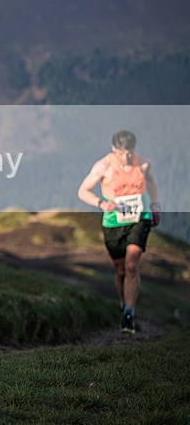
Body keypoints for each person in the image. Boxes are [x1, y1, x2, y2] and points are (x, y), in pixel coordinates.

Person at [78, 130, 160, 333]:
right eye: (122, 153)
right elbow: (82, 191)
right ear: (114, 149)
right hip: (113, 221)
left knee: (132, 264)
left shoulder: (143, 164)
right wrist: (101, 203)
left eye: (130, 152)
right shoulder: (103, 166)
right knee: (120, 268)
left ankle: (129, 313)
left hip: (139, 218)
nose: (126, 157)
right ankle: (123, 304)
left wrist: (155, 205)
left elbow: (150, 182)